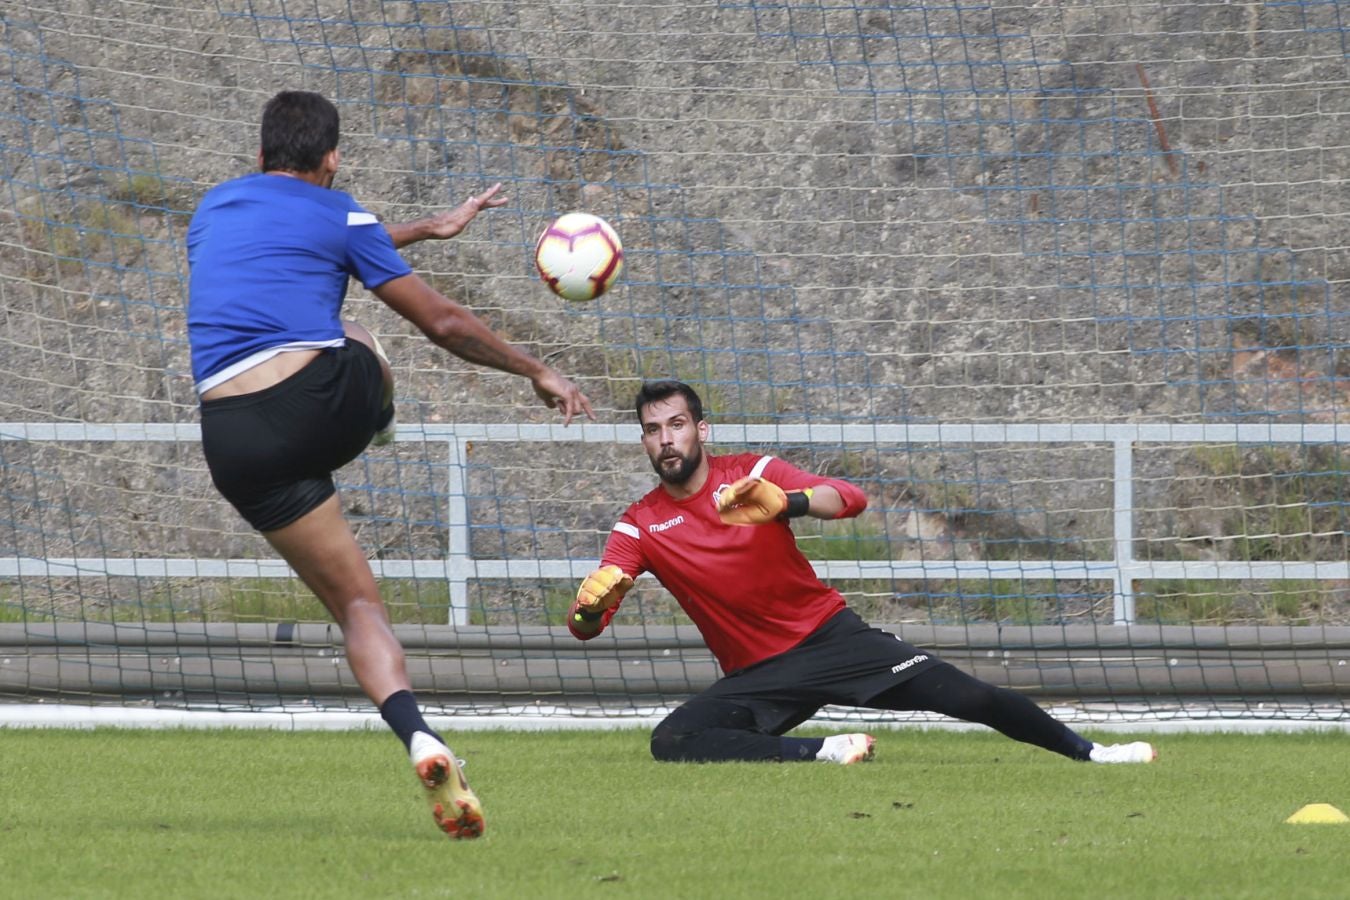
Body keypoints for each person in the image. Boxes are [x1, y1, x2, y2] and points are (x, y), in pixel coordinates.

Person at [187, 90, 595, 839]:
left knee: (356, 609)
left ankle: (421, 737)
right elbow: (440, 320)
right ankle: (379, 421)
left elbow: (306, 243)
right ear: (333, 158)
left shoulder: (212, 209)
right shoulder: (342, 213)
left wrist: (423, 231)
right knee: (359, 333)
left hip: (231, 441)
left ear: (258, 156)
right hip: (317, 407)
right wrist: (538, 370)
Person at [568, 381, 1155, 767]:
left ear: (702, 428)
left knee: (968, 695)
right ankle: (822, 751)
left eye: (676, 424)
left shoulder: (751, 472)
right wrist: (593, 607)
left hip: (832, 640)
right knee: (671, 740)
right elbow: (586, 624)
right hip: (758, 675)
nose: (666, 439)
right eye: (653, 429)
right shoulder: (639, 524)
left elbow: (849, 498)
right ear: (644, 440)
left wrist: (788, 502)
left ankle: (1094, 753)